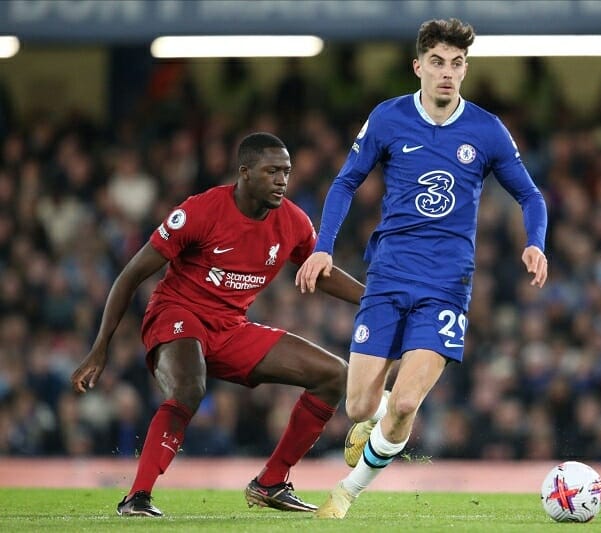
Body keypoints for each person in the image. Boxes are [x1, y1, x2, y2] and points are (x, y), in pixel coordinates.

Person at [296, 18, 549, 519]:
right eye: (437, 62)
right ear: (418, 67)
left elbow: (530, 195)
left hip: (446, 285)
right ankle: (379, 414)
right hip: (388, 275)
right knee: (359, 407)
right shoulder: (388, 118)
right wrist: (324, 247)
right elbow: (345, 182)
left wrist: (535, 243)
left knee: (407, 404)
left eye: (456, 63)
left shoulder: (486, 130)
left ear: (465, 70)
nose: (447, 72)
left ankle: (347, 491)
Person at [71, 132, 364, 517]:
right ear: (244, 173)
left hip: (230, 327)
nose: (282, 180)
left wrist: (373, 299)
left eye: (286, 172)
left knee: (333, 374)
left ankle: (271, 482)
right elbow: (129, 276)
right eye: (272, 171)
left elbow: (319, 272)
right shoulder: (201, 211)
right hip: (177, 314)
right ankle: (137, 496)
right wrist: (100, 347)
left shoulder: (293, 221)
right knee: (190, 389)